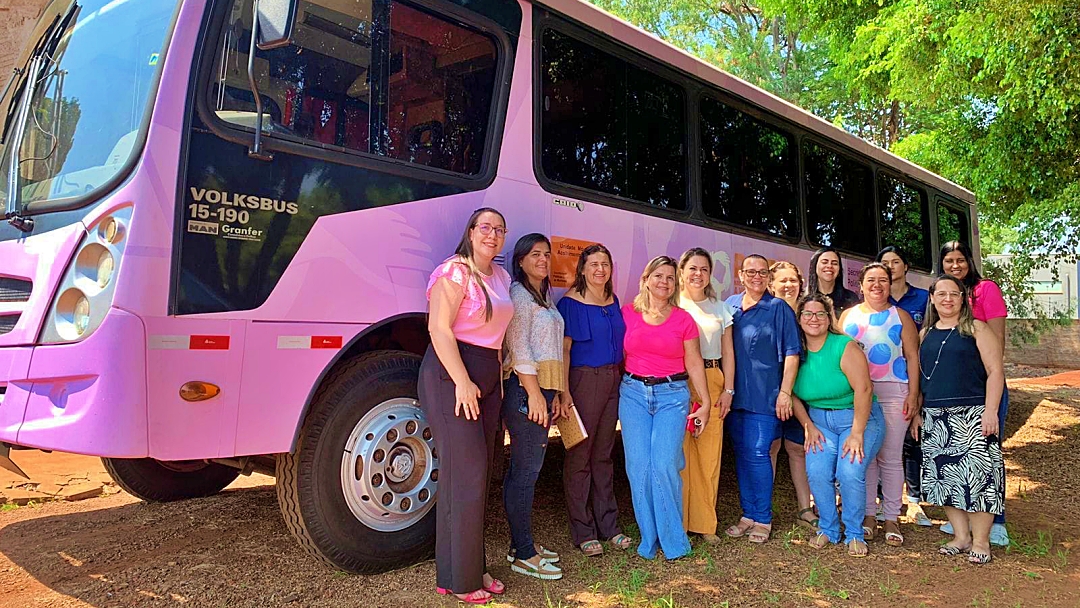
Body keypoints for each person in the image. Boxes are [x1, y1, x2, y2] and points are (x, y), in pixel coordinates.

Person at [419, 208, 513, 604]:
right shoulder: (453, 272)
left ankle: (467, 569)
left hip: (488, 376)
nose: (492, 234)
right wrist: (462, 381)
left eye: (499, 230)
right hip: (452, 376)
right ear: (471, 232)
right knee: (468, 473)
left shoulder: (502, 275)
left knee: (477, 473)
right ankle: (461, 581)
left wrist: (500, 364)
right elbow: (438, 328)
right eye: (485, 227)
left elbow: (497, 329)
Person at [620, 255, 711, 560]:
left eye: (670, 278)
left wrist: (706, 401)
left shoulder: (683, 319)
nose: (664, 282)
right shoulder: (627, 314)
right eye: (658, 276)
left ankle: (674, 541)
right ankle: (649, 538)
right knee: (638, 468)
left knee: (663, 465)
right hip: (632, 394)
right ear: (645, 279)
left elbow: (695, 361)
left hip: (673, 395)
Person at [915, 275, 1005, 564]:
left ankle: (981, 542)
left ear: (963, 298)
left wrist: (990, 411)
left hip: (972, 414)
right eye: (941, 294)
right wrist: (917, 414)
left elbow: (995, 372)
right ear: (932, 298)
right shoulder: (925, 333)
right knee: (945, 480)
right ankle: (961, 536)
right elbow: (921, 378)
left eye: (953, 294)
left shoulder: (977, 329)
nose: (947, 299)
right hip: (934, 416)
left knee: (980, 482)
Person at [791, 294, 885, 557]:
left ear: (829, 317)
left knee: (849, 471)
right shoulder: (795, 353)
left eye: (820, 313)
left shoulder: (844, 346)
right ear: (799, 319)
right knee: (818, 471)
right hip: (819, 421)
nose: (814, 319)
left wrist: (857, 433)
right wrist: (807, 425)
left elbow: (864, 389)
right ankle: (828, 529)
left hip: (857, 419)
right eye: (807, 314)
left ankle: (854, 533)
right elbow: (792, 393)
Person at [557, 244, 632, 557]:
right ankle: (584, 529)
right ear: (583, 269)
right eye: (594, 264)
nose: (600, 269)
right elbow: (563, 350)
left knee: (603, 454)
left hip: (613, 379)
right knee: (580, 455)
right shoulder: (570, 304)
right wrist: (564, 391)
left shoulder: (613, 301)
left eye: (605, 263)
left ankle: (610, 526)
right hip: (583, 381)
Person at [839, 263, 921, 547]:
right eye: (871, 280)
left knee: (890, 456)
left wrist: (914, 395)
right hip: (856, 394)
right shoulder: (847, 316)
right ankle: (868, 515)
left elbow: (912, 357)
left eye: (883, 280)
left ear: (890, 284)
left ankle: (891, 516)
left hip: (893, 391)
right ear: (860, 285)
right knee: (866, 455)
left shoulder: (901, 316)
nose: (877, 285)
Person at [724, 255, 801, 544]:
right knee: (742, 455)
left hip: (766, 396)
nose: (756, 277)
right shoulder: (730, 306)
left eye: (761, 272)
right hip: (733, 396)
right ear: (740, 275)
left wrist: (785, 392)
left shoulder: (778, 308)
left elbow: (792, 353)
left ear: (767, 277)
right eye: (750, 272)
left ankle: (763, 518)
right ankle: (748, 514)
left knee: (758, 453)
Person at [501, 234, 564, 580]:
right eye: (534, 254)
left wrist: (557, 393)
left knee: (526, 471)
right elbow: (520, 347)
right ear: (521, 260)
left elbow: (553, 349)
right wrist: (536, 394)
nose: (542, 259)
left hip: (543, 389)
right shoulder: (519, 295)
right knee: (525, 473)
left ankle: (520, 545)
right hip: (526, 389)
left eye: (546, 254)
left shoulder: (544, 296)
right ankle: (524, 553)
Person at [939, 241, 1010, 546]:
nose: (955, 266)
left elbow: (998, 342)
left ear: (969, 260)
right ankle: (964, 525)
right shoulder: (945, 293)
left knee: (988, 455)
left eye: (960, 260)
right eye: (949, 261)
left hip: (984, 386)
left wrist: (986, 390)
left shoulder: (986, 290)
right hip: (957, 391)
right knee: (960, 457)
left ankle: (999, 523)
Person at [677, 248, 736, 544]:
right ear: (682, 271)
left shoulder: (720, 307)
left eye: (703, 269)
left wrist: (728, 390)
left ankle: (704, 523)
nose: (698, 274)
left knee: (709, 454)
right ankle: (681, 523)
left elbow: (728, 352)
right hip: (678, 382)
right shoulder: (672, 304)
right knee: (680, 454)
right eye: (692, 268)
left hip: (712, 379)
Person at [876, 245, 932, 527]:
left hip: (906, 382)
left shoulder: (922, 299)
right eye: (884, 263)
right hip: (872, 387)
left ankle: (912, 500)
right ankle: (877, 504)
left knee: (908, 445)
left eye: (895, 262)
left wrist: (916, 391)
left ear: (905, 266)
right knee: (875, 447)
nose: (890, 267)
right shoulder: (863, 309)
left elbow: (918, 350)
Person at [768, 261, 816, 531]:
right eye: (782, 281)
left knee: (799, 449)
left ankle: (805, 508)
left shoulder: (810, 314)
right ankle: (764, 509)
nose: (788, 285)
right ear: (771, 285)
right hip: (772, 394)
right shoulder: (767, 313)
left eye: (793, 280)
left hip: (804, 394)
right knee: (771, 448)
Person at [806, 247, 861, 314]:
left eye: (834, 263)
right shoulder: (803, 296)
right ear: (814, 266)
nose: (829, 266)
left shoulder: (851, 298)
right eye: (824, 262)